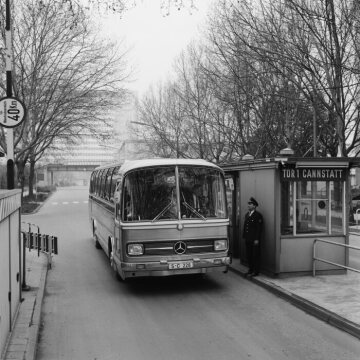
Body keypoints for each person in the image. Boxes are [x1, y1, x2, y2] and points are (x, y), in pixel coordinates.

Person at [243, 197, 263, 276]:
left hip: (254, 239)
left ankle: (256, 271)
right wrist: (244, 236)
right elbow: (246, 226)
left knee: (255, 255)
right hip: (248, 239)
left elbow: (259, 228)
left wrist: (257, 239)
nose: (248, 205)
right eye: (248, 204)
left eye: (250, 204)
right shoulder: (247, 214)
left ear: (254, 206)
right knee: (249, 255)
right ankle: (250, 269)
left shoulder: (258, 215)